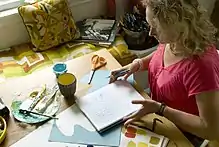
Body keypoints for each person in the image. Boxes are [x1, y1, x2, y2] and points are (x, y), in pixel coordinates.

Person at [110, 0, 219, 145]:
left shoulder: (201, 67)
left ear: (177, 23)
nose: (150, 32)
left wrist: (160, 109)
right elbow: (161, 56)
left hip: (183, 135)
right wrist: (138, 64)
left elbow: (210, 129)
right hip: (159, 117)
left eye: (156, 27)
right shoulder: (174, 40)